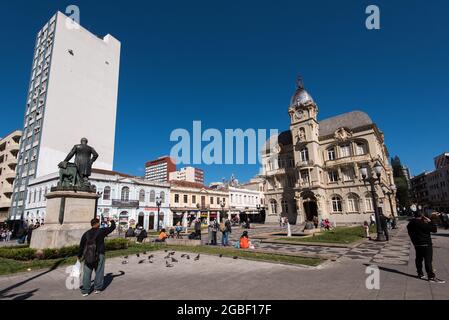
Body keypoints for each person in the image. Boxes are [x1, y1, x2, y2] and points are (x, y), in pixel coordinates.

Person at [78, 218, 116, 296]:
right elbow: (112, 227)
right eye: (99, 223)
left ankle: (85, 291)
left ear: (91, 224)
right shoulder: (101, 231)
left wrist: (79, 256)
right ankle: (97, 288)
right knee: (99, 271)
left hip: (88, 255)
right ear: (97, 224)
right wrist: (112, 221)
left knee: (87, 273)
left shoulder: (86, 233)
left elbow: (81, 246)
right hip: (100, 254)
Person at [407, 211, 445, 283]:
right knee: (428, 261)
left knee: (418, 259)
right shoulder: (422, 223)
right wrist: (430, 221)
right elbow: (434, 230)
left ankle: (420, 273)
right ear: (422, 216)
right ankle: (431, 277)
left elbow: (410, 233)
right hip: (426, 244)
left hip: (417, 244)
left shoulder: (410, 224)